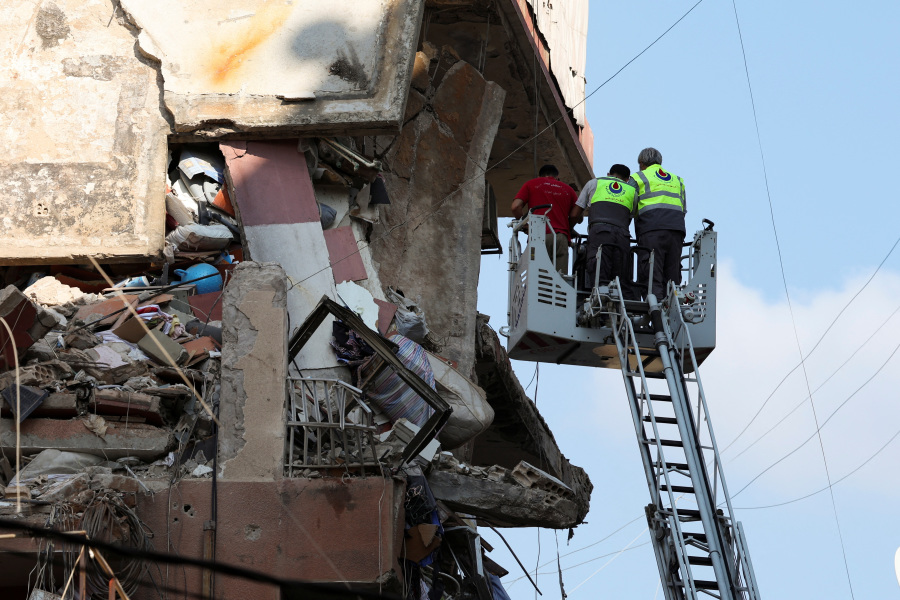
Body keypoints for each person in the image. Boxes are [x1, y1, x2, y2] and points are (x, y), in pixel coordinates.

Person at [628, 147, 686, 300]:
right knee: (672, 272)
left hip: (651, 229)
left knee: (651, 269)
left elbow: (629, 205)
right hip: (676, 230)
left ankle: (655, 308)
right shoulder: (677, 180)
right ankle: (672, 306)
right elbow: (683, 209)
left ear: (641, 163)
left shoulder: (638, 177)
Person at [569, 164, 636, 295]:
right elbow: (629, 219)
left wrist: (569, 230)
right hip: (622, 236)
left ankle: (600, 298)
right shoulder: (632, 191)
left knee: (599, 269)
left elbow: (574, 214)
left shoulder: (594, 183)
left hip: (600, 232)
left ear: (608, 174)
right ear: (627, 179)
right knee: (619, 274)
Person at [511, 164, 579, 273]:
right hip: (560, 238)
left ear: (539, 176)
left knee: (537, 279)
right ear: (558, 177)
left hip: (538, 236)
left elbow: (515, 207)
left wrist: (525, 226)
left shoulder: (531, 184)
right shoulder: (568, 190)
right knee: (560, 280)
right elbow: (576, 215)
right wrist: (568, 228)